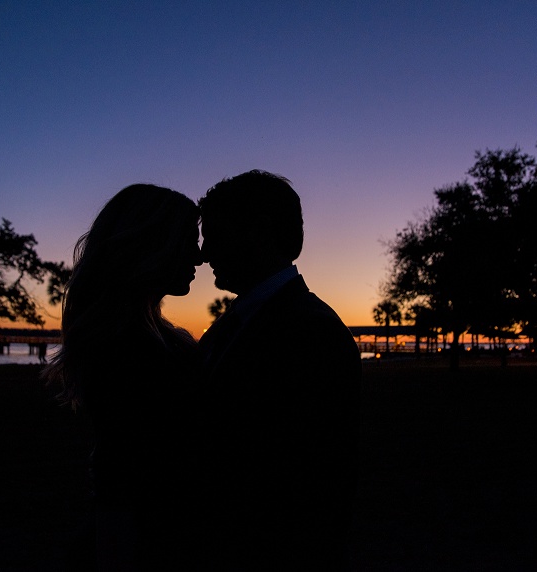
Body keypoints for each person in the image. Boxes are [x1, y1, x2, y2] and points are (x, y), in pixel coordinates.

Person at [197, 170, 362, 570]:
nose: (203, 253)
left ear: (258, 232)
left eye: (215, 235)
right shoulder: (242, 320)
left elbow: (304, 481)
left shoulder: (310, 331)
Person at [44, 184, 203, 569]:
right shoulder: (128, 349)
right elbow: (126, 476)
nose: (200, 255)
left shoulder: (139, 338)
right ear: (152, 244)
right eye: (187, 240)